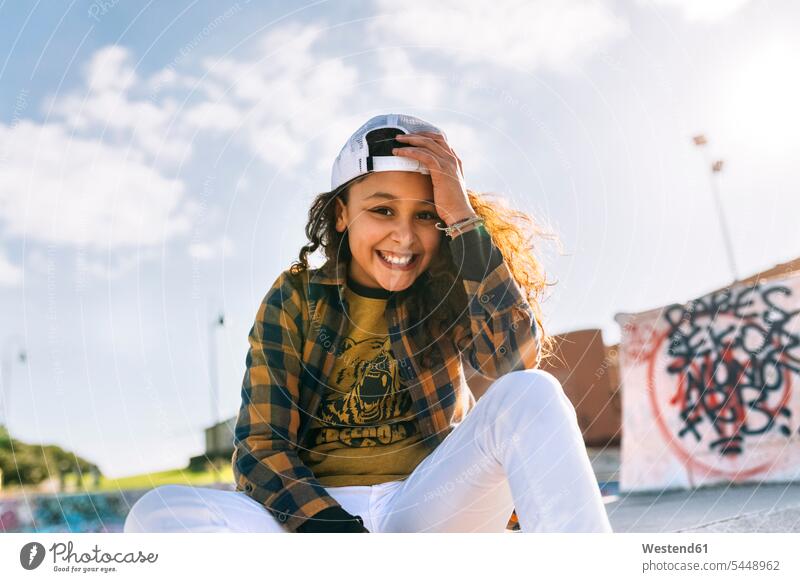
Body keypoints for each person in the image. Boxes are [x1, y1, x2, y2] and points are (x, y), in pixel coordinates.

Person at [123, 113, 613, 534]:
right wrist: (340, 539)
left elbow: (511, 363)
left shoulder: (449, 285)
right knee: (157, 513)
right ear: (341, 214)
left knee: (533, 393)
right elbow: (261, 448)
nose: (404, 235)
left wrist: (463, 216)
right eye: (382, 210)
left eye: (426, 214)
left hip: (423, 508)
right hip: (313, 521)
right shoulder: (295, 297)